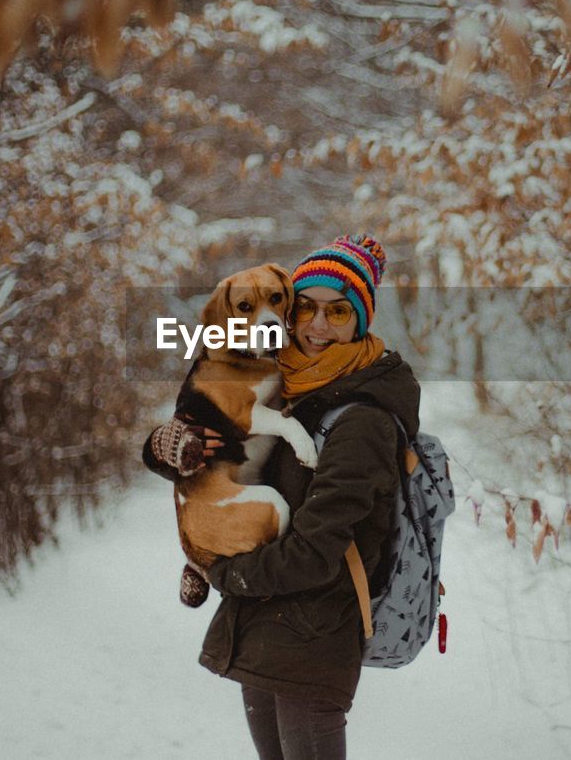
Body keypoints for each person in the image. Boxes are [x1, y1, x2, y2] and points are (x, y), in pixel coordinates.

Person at [141, 234, 421, 760]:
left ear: (360, 321)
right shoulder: (287, 383)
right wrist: (164, 448)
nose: (317, 325)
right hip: (264, 634)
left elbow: (317, 550)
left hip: (313, 643)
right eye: (306, 308)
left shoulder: (362, 416)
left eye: (337, 311)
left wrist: (225, 572)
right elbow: (219, 432)